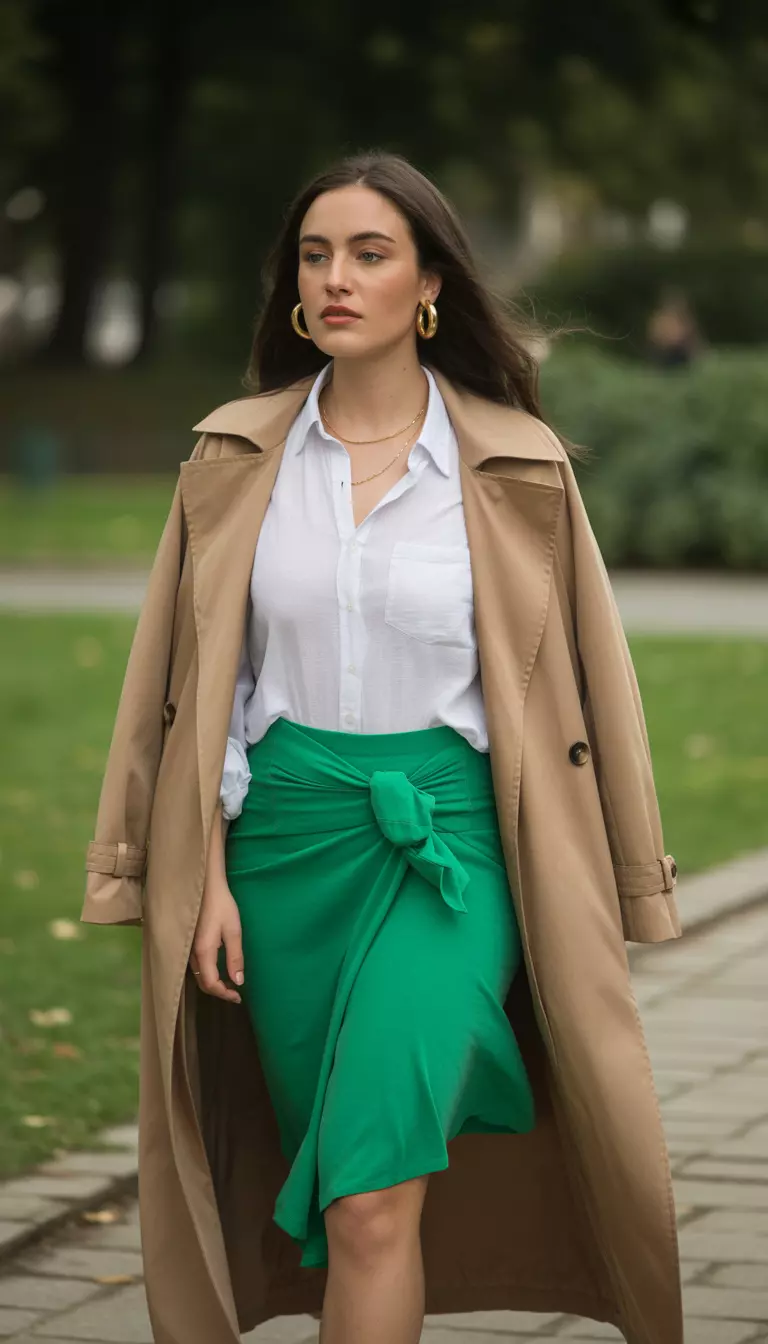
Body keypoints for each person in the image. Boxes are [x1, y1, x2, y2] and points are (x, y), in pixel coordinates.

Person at [83, 152, 684, 1344]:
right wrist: (195, 867)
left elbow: (593, 693)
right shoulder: (233, 458)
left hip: (450, 852)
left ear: (429, 287)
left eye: (370, 253)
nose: (338, 278)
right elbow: (199, 691)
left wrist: (630, 876)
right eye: (316, 256)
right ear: (294, 291)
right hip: (282, 850)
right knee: (345, 1195)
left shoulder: (515, 465)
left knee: (365, 1198)